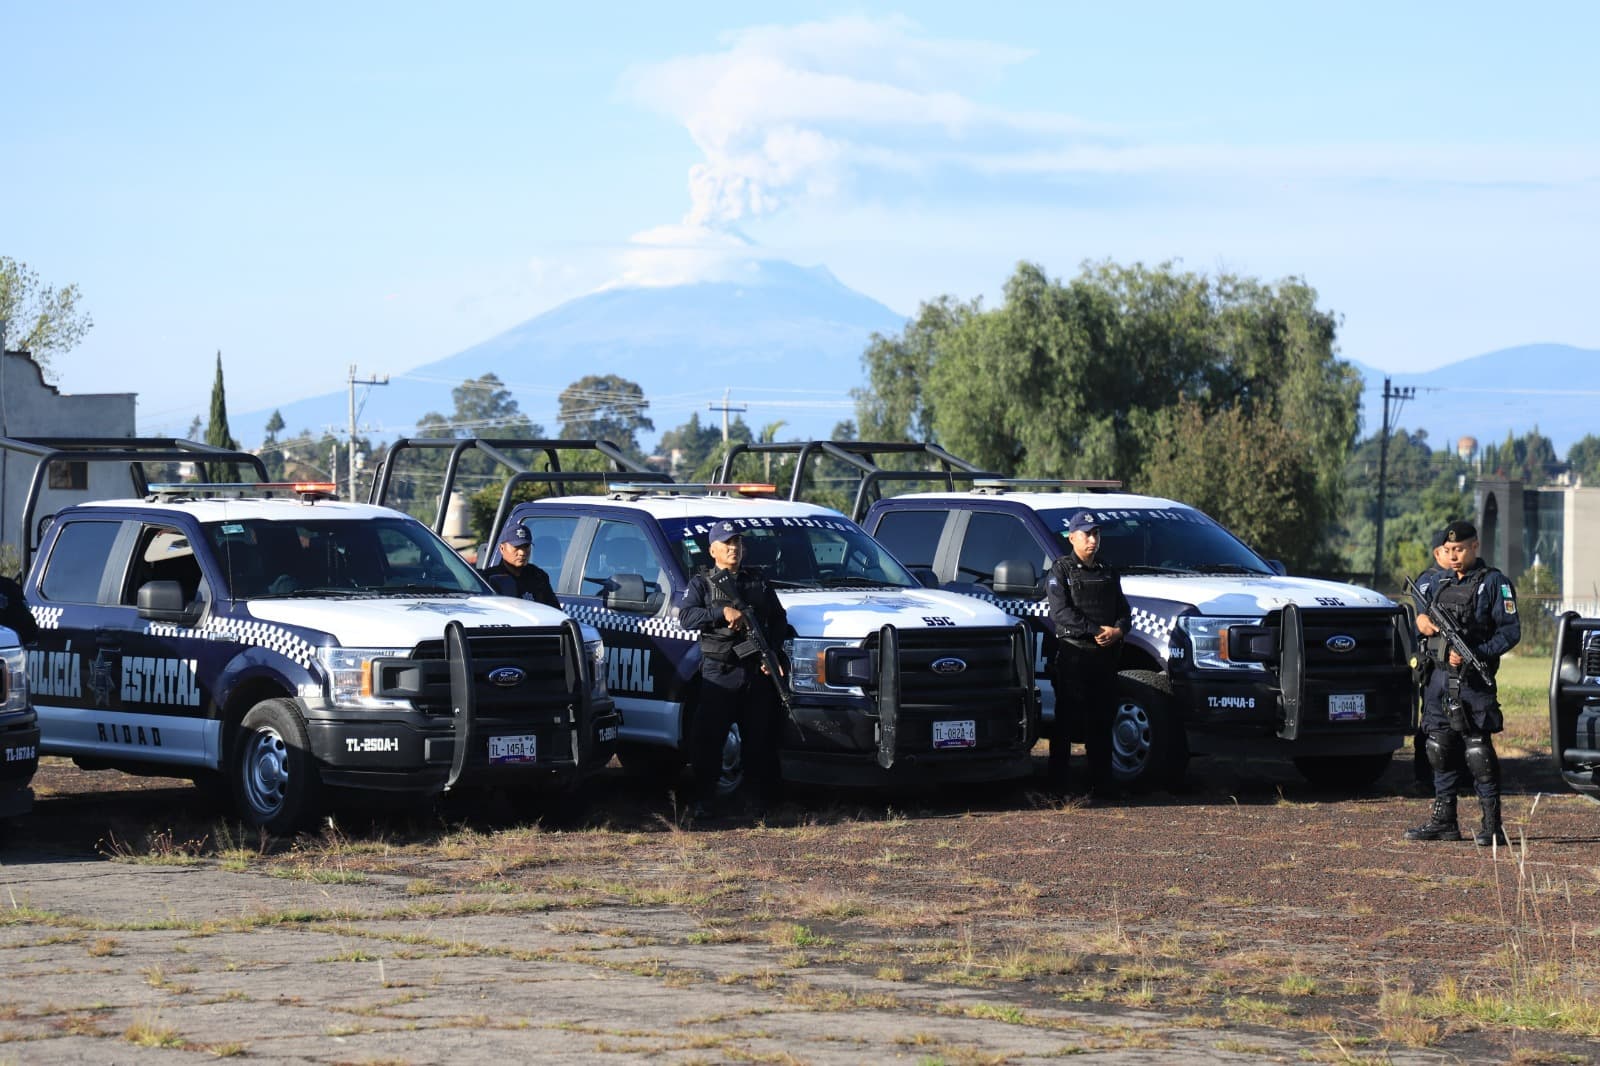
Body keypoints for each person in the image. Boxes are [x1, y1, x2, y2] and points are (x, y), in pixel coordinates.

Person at [1405, 519, 1520, 846]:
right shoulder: (1435, 581)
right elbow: (1420, 614)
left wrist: (1477, 654)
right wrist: (1421, 622)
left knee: (1478, 752)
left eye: (1460, 549)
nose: (1454, 556)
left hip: (1472, 681)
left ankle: (1492, 825)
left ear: (1475, 546)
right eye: (1449, 550)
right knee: (1438, 748)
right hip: (1438, 677)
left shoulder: (1494, 583)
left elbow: (1510, 632)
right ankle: (1445, 821)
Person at [679, 522, 792, 819]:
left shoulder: (757, 581)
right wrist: (721, 613)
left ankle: (755, 803)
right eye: (727, 543)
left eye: (737, 543)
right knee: (709, 740)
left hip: (755, 672)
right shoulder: (702, 583)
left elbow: (779, 619)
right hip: (720, 672)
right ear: (712, 550)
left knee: (758, 740)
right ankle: (705, 800)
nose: (734, 548)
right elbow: (686, 617)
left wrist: (772, 652)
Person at [1044, 511, 1131, 794]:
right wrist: (1095, 630)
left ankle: (1101, 783)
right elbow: (1061, 613)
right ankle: (1058, 786)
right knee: (1065, 722)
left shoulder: (1108, 570)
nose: (1093, 540)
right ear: (1072, 537)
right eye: (1087, 534)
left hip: (1104, 658)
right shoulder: (1061, 570)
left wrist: (1118, 631)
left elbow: (1124, 610)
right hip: (1074, 654)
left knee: (1102, 721)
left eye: (1096, 534)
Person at [1408, 528, 1451, 792]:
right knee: (1432, 720)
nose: (1454, 555)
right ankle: (1424, 777)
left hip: (1456, 661)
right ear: (1437, 553)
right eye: (1449, 550)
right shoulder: (1428, 580)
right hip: (1433, 661)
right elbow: (1425, 617)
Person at [482, 521, 560, 609]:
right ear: (502, 548)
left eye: (526, 546)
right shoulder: (487, 579)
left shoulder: (538, 576)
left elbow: (554, 610)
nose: (522, 553)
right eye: (516, 547)